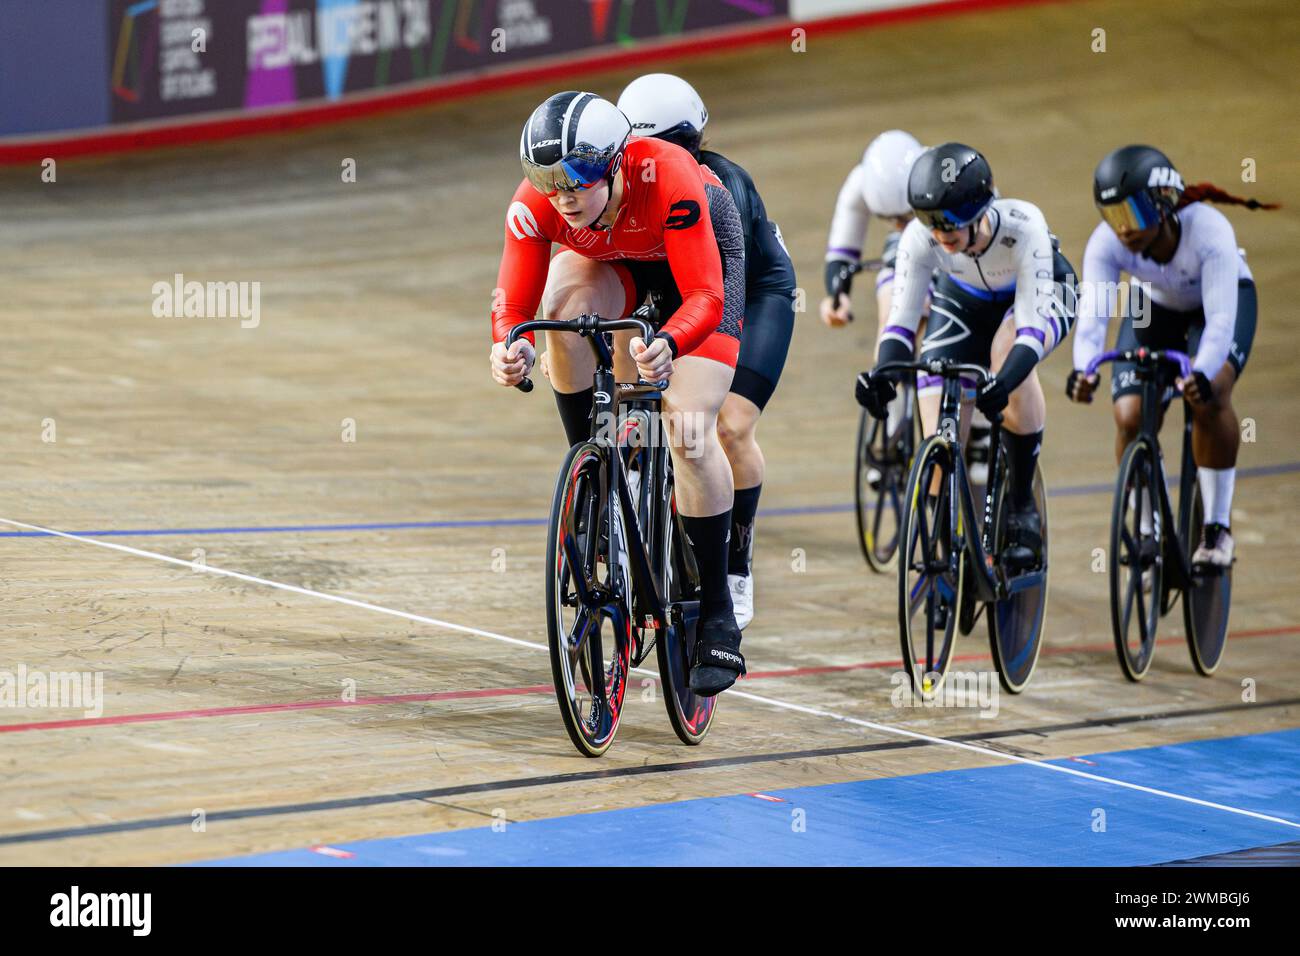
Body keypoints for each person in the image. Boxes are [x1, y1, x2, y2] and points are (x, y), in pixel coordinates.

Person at [489, 91, 747, 695]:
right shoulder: (539, 205)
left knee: (685, 423)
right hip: (620, 264)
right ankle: (595, 472)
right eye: (546, 181)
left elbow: (706, 298)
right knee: (563, 305)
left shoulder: (670, 175)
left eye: (576, 177)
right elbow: (515, 309)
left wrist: (672, 343)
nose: (563, 194)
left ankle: (716, 608)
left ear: (613, 163)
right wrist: (509, 347)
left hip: (696, 268)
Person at [616, 72, 797, 631]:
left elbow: (719, 301)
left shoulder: (722, 188)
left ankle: (736, 563)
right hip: (670, 287)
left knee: (725, 426)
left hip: (746, 291)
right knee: (630, 408)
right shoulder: (617, 183)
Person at [856, 143, 1077, 568]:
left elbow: (1030, 329)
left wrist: (1006, 381)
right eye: (929, 221)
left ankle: (1021, 506)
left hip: (1035, 299)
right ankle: (941, 545)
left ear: (979, 210)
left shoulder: (1023, 224)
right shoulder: (918, 240)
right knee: (934, 401)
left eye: (950, 221)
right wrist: (882, 374)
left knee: (1005, 354)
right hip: (967, 302)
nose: (939, 233)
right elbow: (900, 325)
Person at [1067, 145, 1277, 567]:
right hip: (1153, 306)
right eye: (1114, 217)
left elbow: (1219, 320)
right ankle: (1148, 531)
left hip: (1216, 301)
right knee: (1129, 415)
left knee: (1211, 395)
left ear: (1163, 207)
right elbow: (1094, 315)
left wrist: (1201, 371)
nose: (1123, 230)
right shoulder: (1105, 244)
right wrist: (1083, 368)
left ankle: (1217, 530)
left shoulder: (1209, 231)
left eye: (1133, 215)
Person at [821, 131, 996, 483]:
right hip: (913, 248)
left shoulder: (955, 176)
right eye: (891, 218)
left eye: (904, 215)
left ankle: (977, 421)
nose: (899, 224)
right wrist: (837, 294)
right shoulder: (861, 183)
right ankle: (894, 415)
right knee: (894, 314)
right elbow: (841, 252)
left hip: (951, 245)